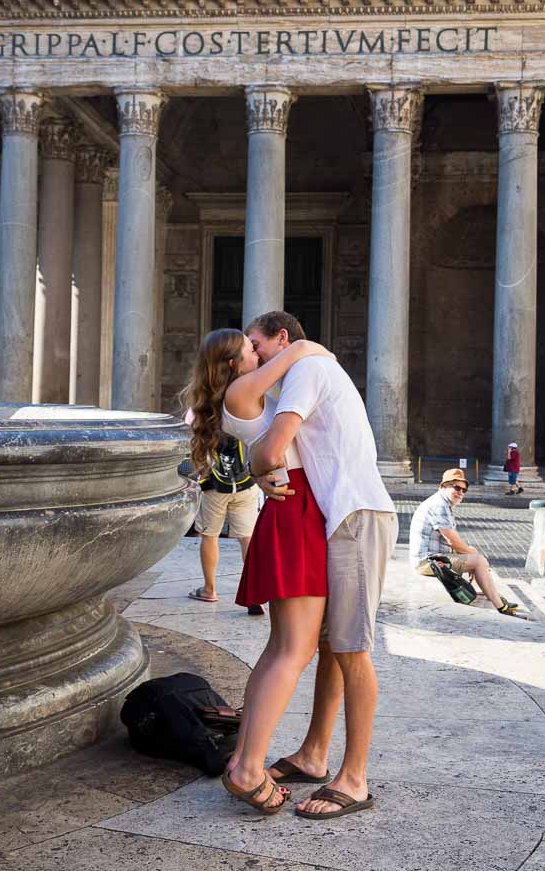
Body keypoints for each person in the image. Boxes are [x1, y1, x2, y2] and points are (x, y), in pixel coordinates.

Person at [245, 311, 399, 821]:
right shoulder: (312, 367)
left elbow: (270, 449)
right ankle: (314, 754)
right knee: (333, 646)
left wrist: (258, 469)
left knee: (352, 650)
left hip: (355, 513)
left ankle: (354, 778)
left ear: (283, 338)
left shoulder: (306, 370)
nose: (255, 355)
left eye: (257, 344)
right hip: (346, 514)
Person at [181, 328, 331, 815]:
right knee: (294, 651)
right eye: (251, 349)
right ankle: (247, 770)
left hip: (289, 512)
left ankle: (244, 759)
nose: (259, 351)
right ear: (234, 364)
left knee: (279, 650)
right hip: (295, 516)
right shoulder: (243, 390)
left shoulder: (241, 394)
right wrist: (301, 348)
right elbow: (302, 353)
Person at [409, 468, 519, 616]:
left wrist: (472, 554)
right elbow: (452, 541)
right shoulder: (439, 506)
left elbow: (453, 541)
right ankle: (500, 606)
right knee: (479, 561)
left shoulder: (442, 503)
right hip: (427, 563)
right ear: (443, 487)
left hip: (433, 558)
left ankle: (490, 594)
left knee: (474, 555)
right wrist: (477, 559)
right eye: (457, 488)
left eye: (464, 490)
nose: (461, 492)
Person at [186, 423, 263, 615]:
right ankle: (254, 594)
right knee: (247, 538)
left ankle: (209, 590)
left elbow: (195, 452)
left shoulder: (207, 414)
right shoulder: (243, 411)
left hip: (215, 488)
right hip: (246, 485)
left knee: (210, 535)